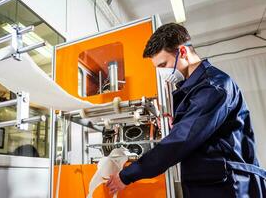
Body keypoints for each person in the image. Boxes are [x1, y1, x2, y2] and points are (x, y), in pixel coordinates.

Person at [106, 23, 266, 197]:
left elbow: (180, 141)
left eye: (163, 64)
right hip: (209, 182)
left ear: (182, 52)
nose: (161, 73)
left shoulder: (214, 87)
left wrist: (127, 175)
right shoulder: (189, 91)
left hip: (229, 186)